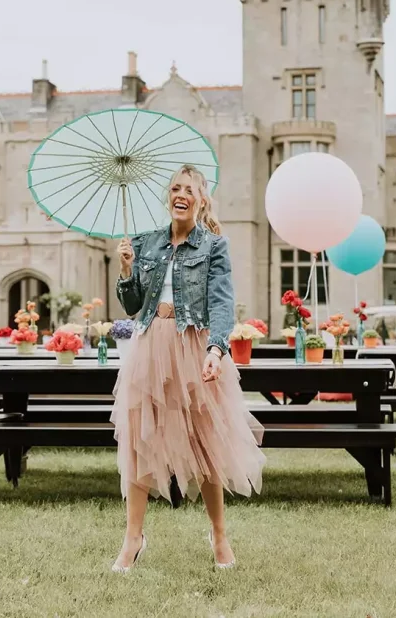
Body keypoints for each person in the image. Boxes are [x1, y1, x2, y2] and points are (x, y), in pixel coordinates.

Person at [110, 164, 264, 573]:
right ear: (169, 197)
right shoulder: (146, 242)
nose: (181, 194)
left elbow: (221, 302)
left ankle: (219, 535)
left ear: (201, 199)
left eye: (189, 190)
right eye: (175, 188)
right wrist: (126, 269)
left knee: (207, 443)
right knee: (140, 441)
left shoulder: (213, 246)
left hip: (194, 347)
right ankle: (133, 539)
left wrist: (216, 350)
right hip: (150, 346)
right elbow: (132, 305)